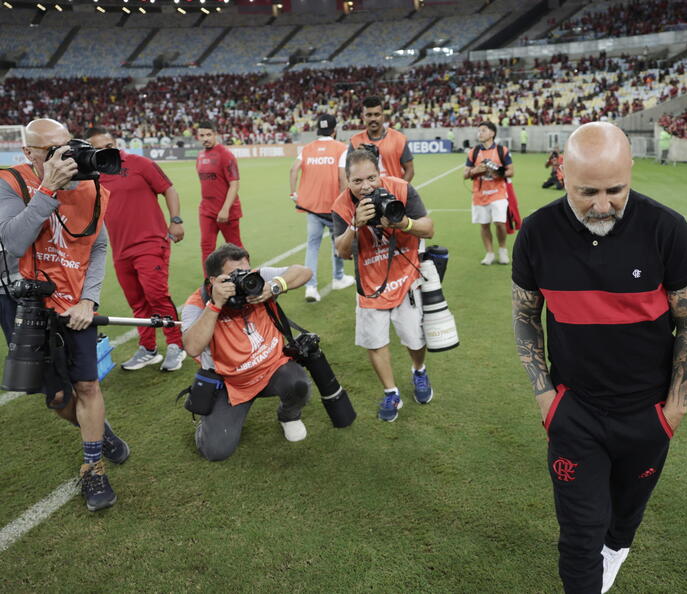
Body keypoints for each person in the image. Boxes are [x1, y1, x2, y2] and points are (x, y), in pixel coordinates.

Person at [511, 122, 687, 593]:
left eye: (615, 189)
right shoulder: (536, 234)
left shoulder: (668, 230)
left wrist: (674, 408)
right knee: (579, 537)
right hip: (575, 412)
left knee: (623, 518)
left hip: (648, 414)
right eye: (587, 192)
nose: (602, 205)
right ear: (562, 174)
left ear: (631, 172)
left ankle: (617, 547)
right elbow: (524, 317)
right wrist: (545, 398)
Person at [0, 118, 132, 512]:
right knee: (57, 396)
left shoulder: (90, 186)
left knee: (88, 386)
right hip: (20, 300)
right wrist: (48, 188)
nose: (64, 156)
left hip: (73, 298)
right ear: (29, 153)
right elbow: (13, 240)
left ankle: (93, 466)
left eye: (66, 145)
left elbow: (98, 247)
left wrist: (89, 301)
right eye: (51, 150)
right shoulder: (10, 182)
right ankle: (100, 431)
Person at [181, 243, 313, 461]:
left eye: (245, 271)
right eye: (234, 275)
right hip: (230, 382)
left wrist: (275, 286)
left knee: (298, 384)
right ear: (214, 281)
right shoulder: (196, 303)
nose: (244, 278)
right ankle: (211, 423)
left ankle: (289, 415)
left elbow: (305, 271)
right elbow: (192, 346)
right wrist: (215, 305)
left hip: (271, 368)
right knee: (216, 451)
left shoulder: (256, 280)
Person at [332, 149, 435, 422]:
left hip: (405, 277)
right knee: (376, 341)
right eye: (357, 181)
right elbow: (341, 252)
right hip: (369, 285)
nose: (366, 186)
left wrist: (403, 223)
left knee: (414, 337)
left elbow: (429, 228)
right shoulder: (342, 206)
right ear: (347, 180)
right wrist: (354, 225)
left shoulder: (401, 188)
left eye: (372, 178)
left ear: (380, 174)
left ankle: (419, 370)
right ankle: (391, 392)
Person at [84, 127, 186, 372]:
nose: (105, 151)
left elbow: (168, 189)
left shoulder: (140, 163)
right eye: (98, 149)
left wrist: (176, 220)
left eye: (108, 146)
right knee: (137, 302)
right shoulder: (93, 175)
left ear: (116, 143)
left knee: (156, 295)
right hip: (120, 249)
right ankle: (148, 349)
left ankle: (176, 345)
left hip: (151, 242)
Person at [288, 114, 355, 303]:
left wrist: (293, 194)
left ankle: (310, 287)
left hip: (312, 208)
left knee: (312, 246)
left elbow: (293, 169)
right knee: (339, 242)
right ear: (334, 130)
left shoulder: (307, 149)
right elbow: (343, 179)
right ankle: (339, 277)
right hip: (333, 208)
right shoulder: (342, 148)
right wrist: (345, 204)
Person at [463, 121, 515, 266]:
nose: (480, 133)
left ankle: (503, 250)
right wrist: (475, 171)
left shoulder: (502, 150)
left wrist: (498, 174)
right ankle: (490, 253)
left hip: (498, 192)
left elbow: (511, 171)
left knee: (499, 223)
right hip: (479, 194)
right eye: (478, 131)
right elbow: (465, 174)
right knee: (484, 225)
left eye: (483, 130)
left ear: (492, 133)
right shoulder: (473, 152)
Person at [195, 121, 243, 271]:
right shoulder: (200, 156)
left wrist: (225, 209)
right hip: (207, 211)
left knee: (235, 248)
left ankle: (245, 277)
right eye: (202, 135)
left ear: (215, 135)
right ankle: (210, 284)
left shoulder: (226, 155)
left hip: (227, 211)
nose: (205, 138)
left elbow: (234, 184)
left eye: (209, 135)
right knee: (206, 247)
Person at [344, 96, 414, 182]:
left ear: (383, 116)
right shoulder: (355, 141)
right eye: (369, 115)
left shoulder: (399, 139)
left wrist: (399, 191)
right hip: (366, 194)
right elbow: (348, 172)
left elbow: (410, 170)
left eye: (377, 115)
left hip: (392, 193)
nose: (373, 119)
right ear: (363, 117)